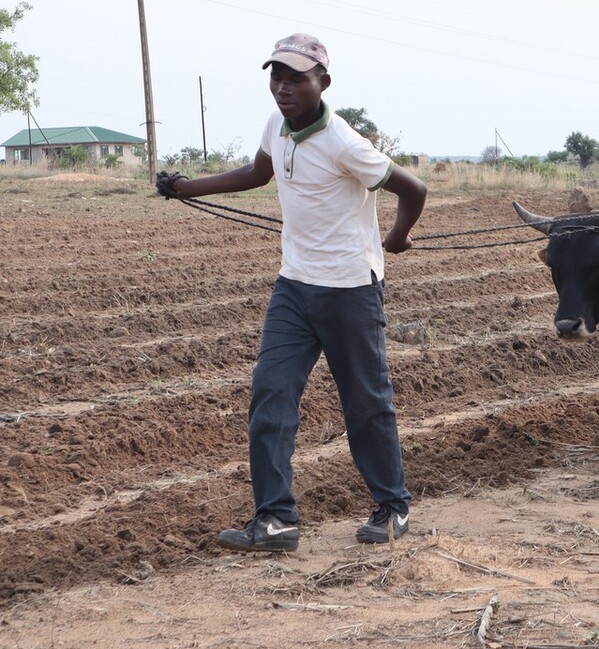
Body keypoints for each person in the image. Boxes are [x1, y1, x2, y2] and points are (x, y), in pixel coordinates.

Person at [156, 33, 427, 552]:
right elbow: (258, 172)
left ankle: (393, 506)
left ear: (322, 82)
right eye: (276, 76)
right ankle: (276, 520)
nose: (283, 87)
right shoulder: (277, 127)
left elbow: (412, 189)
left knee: (366, 403)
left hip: (350, 289)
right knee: (271, 394)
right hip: (294, 287)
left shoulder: (345, 143)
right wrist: (187, 188)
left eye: (296, 78)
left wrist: (396, 238)